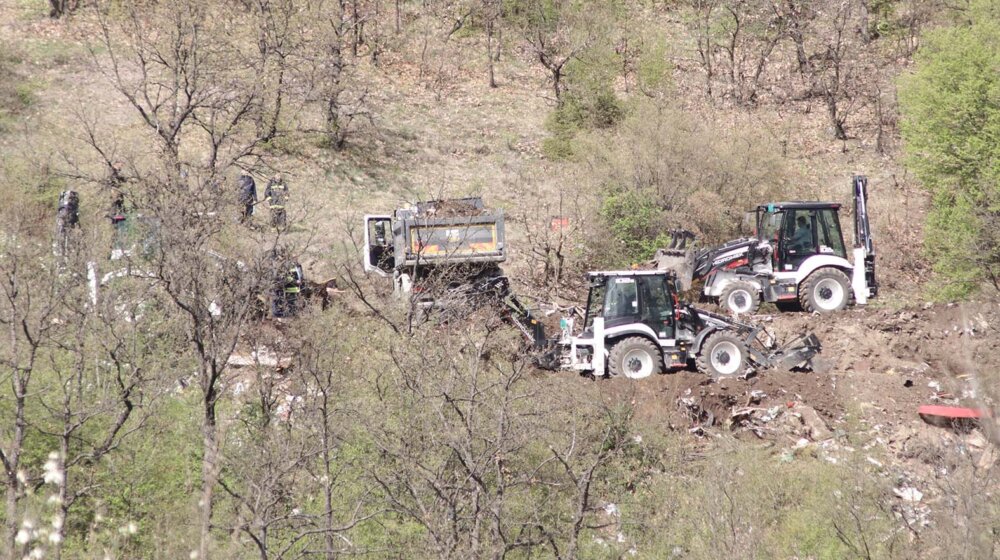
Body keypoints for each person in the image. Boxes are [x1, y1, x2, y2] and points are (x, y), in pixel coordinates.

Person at [54, 190, 80, 256]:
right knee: (64, 235)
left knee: (64, 235)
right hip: (67, 220)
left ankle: (63, 252)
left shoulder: (64, 207)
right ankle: (63, 252)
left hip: (67, 220)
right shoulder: (68, 208)